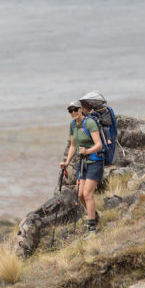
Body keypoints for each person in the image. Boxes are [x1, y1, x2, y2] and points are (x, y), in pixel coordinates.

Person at [60, 99, 104, 237]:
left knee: (87, 194)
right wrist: (66, 162)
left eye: (75, 109)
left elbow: (99, 145)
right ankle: (94, 215)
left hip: (95, 161)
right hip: (82, 163)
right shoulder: (73, 125)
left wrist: (87, 151)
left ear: (81, 110)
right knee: (80, 194)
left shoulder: (89, 123)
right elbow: (73, 146)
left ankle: (92, 229)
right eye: (70, 111)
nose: (73, 112)